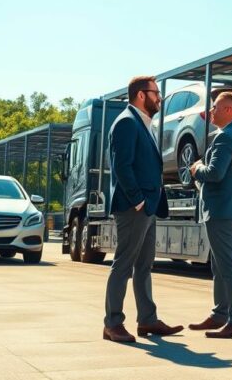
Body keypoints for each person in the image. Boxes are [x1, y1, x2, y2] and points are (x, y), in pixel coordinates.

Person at [103, 76, 183, 343]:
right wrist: (138, 201)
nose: (159, 98)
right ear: (140, 95)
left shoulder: (143, 123)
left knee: (144, 266)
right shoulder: (126, 122)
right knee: (123, 265)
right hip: (133, 208)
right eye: (156, 93)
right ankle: (113, 323)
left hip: (147, 207)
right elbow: (121, 166)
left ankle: (147, 320)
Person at [187, 90, 232, 339]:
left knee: (229, 267)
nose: (211, 111)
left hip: (223, 212)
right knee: (221, 265)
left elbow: (215, 173)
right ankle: (219, 314)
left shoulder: (226, 137)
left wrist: (197, 169)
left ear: (229, 110)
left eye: (215, 106)